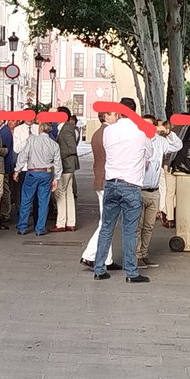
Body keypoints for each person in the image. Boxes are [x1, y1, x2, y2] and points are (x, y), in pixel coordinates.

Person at [94, 97, 151, 284]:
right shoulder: (141, 131)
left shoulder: (108, 131)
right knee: (130, 231)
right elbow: (149, 154)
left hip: (111, 183)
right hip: (131, 185)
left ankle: (99, 268)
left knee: (106, 227)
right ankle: (131, 272)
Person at [136, 116, 183, 270]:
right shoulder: (137, 140)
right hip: (138, 189)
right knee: (137, 226)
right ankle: (136, 256)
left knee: (149, 226)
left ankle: (144, 254)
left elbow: (177, 145)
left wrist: (168, 132)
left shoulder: (160, 141)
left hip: (154, 190)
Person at [81, 111, 116, 271]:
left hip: (101, 180)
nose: (117, 117)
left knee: (107, 222)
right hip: (106, 181)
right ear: (106, 116)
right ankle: (89, 255)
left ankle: (107, 258)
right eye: (114, 114)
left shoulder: (98, 133)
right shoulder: (108, 133)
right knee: (106, 222)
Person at [14, 123, 62, 237]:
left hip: (32, 172)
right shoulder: (54, 144)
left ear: (40, 129)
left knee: (26, 200)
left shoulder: (32, 140)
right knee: (43, 202)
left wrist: (17, 170)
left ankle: (22, 227)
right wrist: (56, 179)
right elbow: (58, 163)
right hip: (46, 173)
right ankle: (40, 229)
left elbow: (23, 155)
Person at [53, 108, 80, 231]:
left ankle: (61, 223)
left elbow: (71, 148)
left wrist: (57, 155)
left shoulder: (67, 128)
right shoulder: (66, 127)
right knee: (68, 193)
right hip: (69, 165)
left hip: (65, 165)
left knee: (60, 193)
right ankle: (70, 222)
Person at [0, 118, 16, 225]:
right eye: (9, 120)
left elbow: (3, 149)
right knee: (6, 189)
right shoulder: (5, 131)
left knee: (5, 189)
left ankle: (5, 213)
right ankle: (5, 212)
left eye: (13, 120)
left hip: (6, 165)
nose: (10, 122)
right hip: (7, 164)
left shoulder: (5, 132)